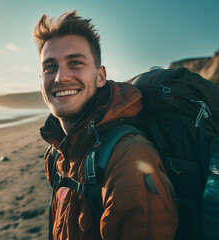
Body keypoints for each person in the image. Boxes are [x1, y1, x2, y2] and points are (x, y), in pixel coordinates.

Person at [33, 10, 178, 239]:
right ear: (41, 81)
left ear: (101, 77)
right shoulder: (57, 153)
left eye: (75, 63)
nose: (60, 77)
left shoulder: (129, 158)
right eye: (50, 67)